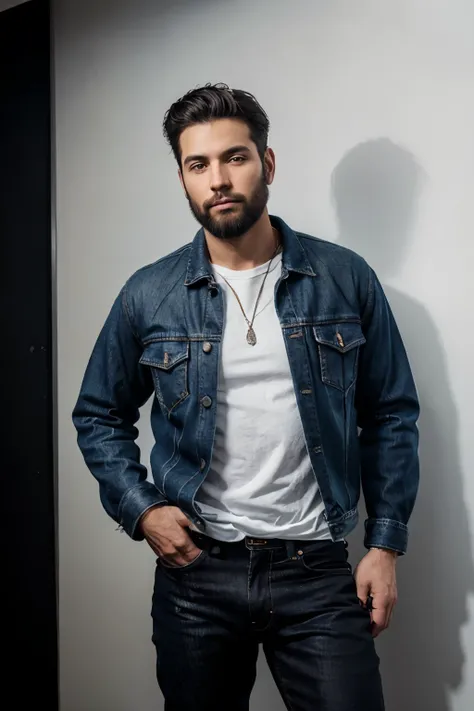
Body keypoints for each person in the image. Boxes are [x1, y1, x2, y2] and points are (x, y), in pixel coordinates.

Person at [72, 83, 420, 711]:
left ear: (268, 163)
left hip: (317, 569)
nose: (218, 180)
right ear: (182, 178)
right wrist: (142, 508)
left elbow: (391, 413)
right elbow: (98, 413)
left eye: (235, 157)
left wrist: (385, 543)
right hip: (197, 578)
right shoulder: (149, 294)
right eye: (197, 164)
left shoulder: (345, 279)